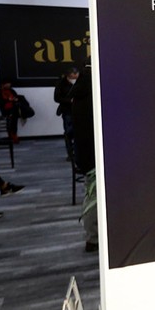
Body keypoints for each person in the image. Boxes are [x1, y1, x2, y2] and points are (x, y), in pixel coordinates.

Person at [70, 57, 98, 252]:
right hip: (96, 156)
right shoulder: (94, 93)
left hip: (86, 155)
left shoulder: (80, 91)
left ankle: (93, 237)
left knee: (92, 196)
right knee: (95, 198)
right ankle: (94, 238)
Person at [54, 66, 79, 159]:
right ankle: (70, 153)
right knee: (69, 133)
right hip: (67, 110)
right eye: (73, 77)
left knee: (78, 133)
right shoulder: (61, 84)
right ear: (69, 76)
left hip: (78, 110)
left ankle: (77, 152)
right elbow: (56, 98)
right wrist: (69, 100)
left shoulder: (79, 82)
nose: (75, 78)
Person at [0, 78, 20, 143]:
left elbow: (17, 98)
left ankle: (14, 136)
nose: (9, 85)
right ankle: (11, 136)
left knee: (14, 123)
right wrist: (8, 100)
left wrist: (14, 99)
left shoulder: (12, 91)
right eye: (8, 83)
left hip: (14, 109)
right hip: (5, 110)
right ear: (3, 84)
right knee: (9, 123)